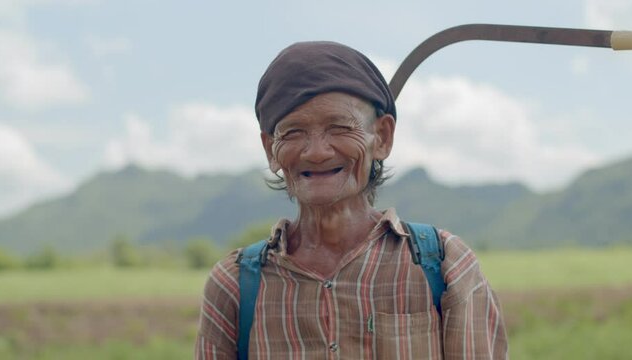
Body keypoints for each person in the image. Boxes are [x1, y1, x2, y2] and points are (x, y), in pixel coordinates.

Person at [195, 41, 508, 359]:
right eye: (293, 132)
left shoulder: (443, 264)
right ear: (269, 149)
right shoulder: (235, 285)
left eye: (340, 127)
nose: (316, 151)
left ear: (383, 137)